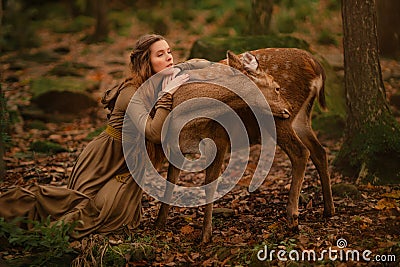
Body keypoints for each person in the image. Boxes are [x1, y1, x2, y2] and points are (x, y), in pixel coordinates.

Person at [0, 34, 211, 238]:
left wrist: (186, 68)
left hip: (126, 164)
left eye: (169, 52)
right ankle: (17, 214)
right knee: (87, 212)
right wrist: (168, 95)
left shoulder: (159, 83)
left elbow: (202, 65)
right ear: (145, 62)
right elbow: (155, 133)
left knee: (119, 217)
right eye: (160, 54)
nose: (169, 58)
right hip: (104, 160)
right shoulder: (132, 93)